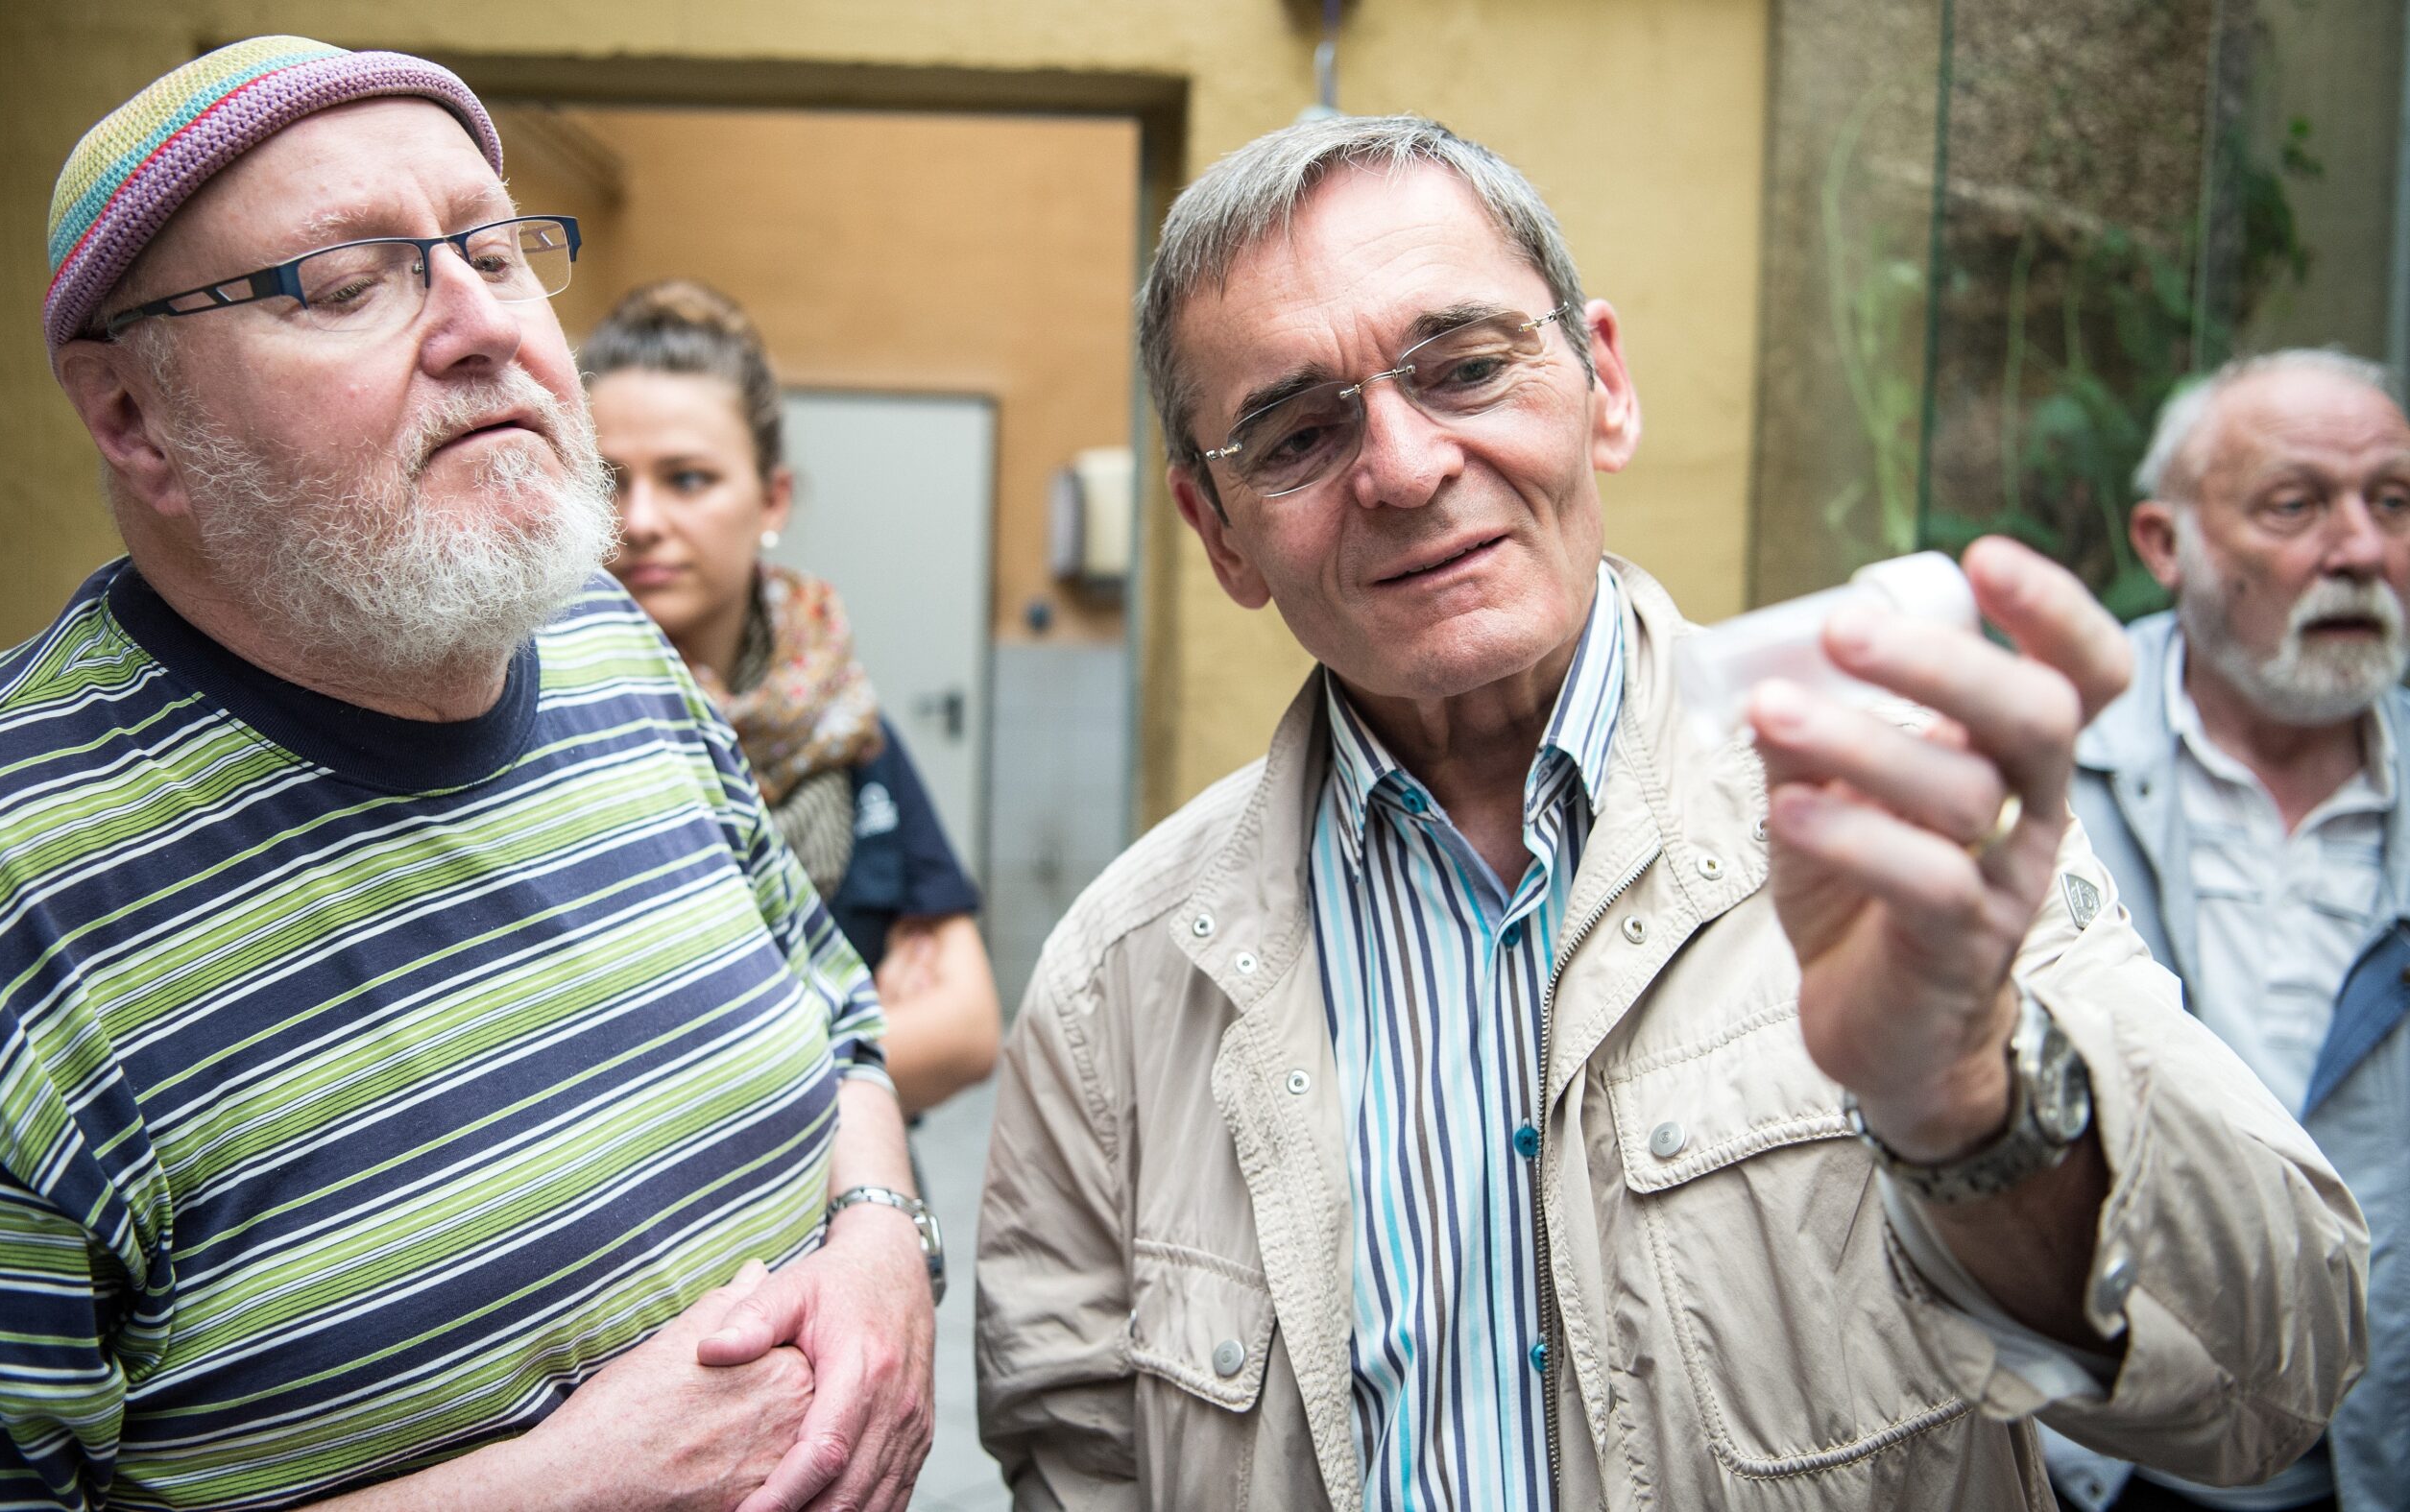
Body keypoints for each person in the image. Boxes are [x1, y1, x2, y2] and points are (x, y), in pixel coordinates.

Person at [974, 114, 2368, 1509]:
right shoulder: (1120, 984)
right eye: (1295, 434)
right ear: (1219, 533)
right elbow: (1078, 1467)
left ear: (1606, 384)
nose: (1401, 466)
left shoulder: (1892, 816)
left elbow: (2276, 1373)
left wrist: (1966, 1099)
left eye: (1464, 367)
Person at [0, 36, 933, 1512]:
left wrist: (879, 1239)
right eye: (348, 281)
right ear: (129, 415)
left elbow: (836, 1003)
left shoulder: (610, 639)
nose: (483, 326)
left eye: (496, 247)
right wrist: (564, 1485)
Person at [2046, 350, 2410, 1512]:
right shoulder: (2034, 765)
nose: (2357, 548)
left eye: (2392, 503)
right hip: (2086, 1463)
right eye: (2294, 506)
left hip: (2364, 1466)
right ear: (2164, 544)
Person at [584, 281, 1000, 1119]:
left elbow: (964, 1031)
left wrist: (704, 1083)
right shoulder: (541, 715)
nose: (644, 518)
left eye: (689, 478)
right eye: (606, 481)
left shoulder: (836, 722)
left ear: (771, 500)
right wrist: (862, 1042)